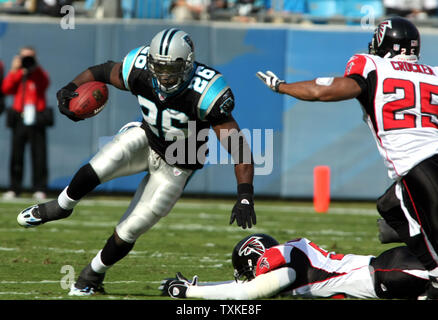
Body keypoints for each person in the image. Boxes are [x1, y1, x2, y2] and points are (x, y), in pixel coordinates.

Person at [16, 28, 256, 296]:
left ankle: (92, 275)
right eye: (158, 67)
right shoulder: (138, 68)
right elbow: (101, 71)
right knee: (105, 161)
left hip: (180, 163)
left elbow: (239, 148)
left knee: (133, 225)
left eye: (171, 68)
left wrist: (245, 194)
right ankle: (61, 206)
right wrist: (70, 88)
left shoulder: (207, 92)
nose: (163, 75)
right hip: (146, 138)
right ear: (150, 61)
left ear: (187, 65)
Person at [256, 17, 438, 299]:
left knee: (431, 258)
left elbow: (323, 90)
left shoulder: (372, 64)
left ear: (382, 43)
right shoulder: (434, 73)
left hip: (417, 168)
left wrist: (282, 87)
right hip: (431, 161)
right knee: (390, 204)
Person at [161, 233, 430, 299]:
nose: (248, 278)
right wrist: (200, 286)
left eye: (248, 271)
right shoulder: (294, 254)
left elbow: (246, 293)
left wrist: (190, 294)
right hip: (390, 270)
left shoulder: (283, 259)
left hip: (389, 275)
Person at [2, 46, 51, 200]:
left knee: (39, 155)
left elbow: (45, 83)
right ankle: (14, 188)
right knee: (16, 155)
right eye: (24, 57)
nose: (27, 60)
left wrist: (35, 67)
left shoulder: (39, 73)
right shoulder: (18, 74)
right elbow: (6, 89)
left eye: (30, 57)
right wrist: (15, 70)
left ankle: (40, 188)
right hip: (19, 117)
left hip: (37, 117)